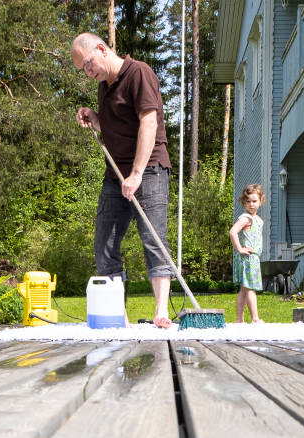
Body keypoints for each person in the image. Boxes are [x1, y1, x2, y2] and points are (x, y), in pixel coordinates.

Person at [71, 33, 173, 329]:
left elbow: (148, 122)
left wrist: (137, 174)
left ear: (101, 49)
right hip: (115, 175)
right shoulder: (105, 87)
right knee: (105, 243)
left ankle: (161, 312)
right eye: (84, 71)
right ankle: (119, 316)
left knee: (153, 238)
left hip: (149, 169)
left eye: (89, 65)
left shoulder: (139, 73)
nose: (89, 74)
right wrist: (94, 117)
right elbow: (115, 128)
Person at [229, 184, 265, 323]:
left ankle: (239, 319)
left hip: (252, 258)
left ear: (260, 201)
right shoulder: (246, 218)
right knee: (250, 288)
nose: (251, 204)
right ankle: (255, 319)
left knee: (244, 290)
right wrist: (239, 249)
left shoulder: (257, 219)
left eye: (254, 201)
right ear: (243, 202)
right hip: (248, 258)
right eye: (248, 201)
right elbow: (233, 232)